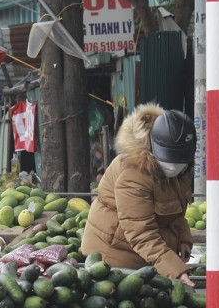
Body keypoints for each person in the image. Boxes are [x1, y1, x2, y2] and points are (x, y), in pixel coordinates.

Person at [80, 106, 198, 286]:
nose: (174, 166)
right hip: (115, 256)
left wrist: (183, 237)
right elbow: (141, 232)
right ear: (153, 146)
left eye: (179, 161)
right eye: (168, 159)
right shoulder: (134, 173)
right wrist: (175, 270)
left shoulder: (184, 168)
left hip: (147, 255)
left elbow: (176, 208)